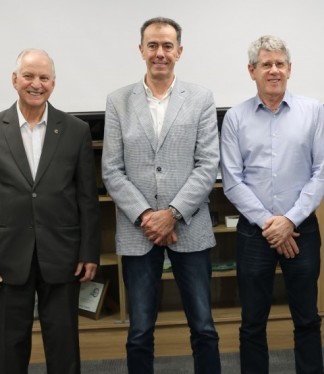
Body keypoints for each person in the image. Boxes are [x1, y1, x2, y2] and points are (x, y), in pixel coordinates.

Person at [102, 17, 221, 374]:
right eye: (152, 45)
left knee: (203, 327)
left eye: (167, 46)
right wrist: (147, 216)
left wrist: (172, 213)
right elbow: (111, 169)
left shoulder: (200, 98)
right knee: (139, 331)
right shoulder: (118, 101)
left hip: (189, 226)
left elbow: (207, 163)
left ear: (179, 52)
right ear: (141, 50)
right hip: (138, 231)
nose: (160, 53)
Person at [220, 35, 324, 374]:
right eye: (266, 64)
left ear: (289, 69)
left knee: (307, 318)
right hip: (254, 235)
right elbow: (232, 180)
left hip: (302, 231)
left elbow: (323, 173)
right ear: (251, 71)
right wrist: (271, 224)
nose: (274, 70)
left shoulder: (312, 111)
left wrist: (290, 221)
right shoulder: (235, 118)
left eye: (279, 64)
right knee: (252, 322)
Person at [0, 48, 100, 374]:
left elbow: (87, 198)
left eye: (44, 78)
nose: (36, 84)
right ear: (15, 80)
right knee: (8, 345)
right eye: (29, 76)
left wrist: (89, 252)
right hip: (8, 256)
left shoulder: (75, 130)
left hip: (63, 255)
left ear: (53, 84)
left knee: (63, 342)